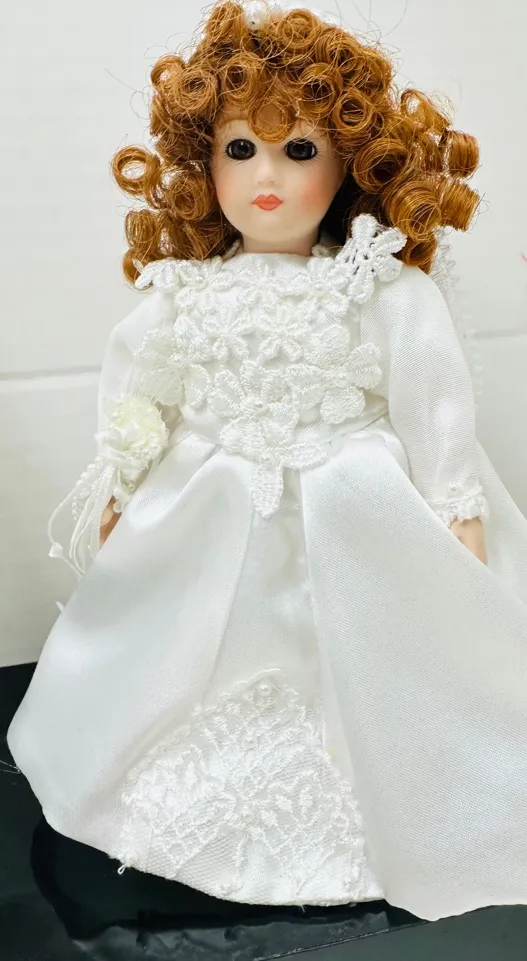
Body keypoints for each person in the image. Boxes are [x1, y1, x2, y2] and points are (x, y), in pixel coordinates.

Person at [8, 0, 527, 924]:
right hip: (205, 511)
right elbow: (139, 387)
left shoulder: (381, 288)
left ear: (351, 162)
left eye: (300, 150)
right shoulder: (183, 291)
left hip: (355, 518)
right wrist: (122, 481)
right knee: (173, 661)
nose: (267, 177)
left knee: (378, 677)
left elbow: (433, 405)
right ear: (202, 164)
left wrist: (457, 524)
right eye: (241, 149)